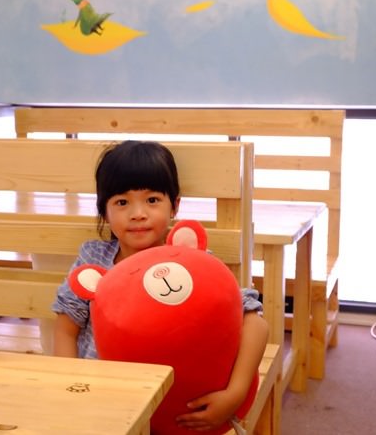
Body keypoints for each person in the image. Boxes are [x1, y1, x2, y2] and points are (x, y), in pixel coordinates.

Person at [51, 140, 269, 431]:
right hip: (106, 400)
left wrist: (236, 393)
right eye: (122, 202)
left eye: (152, 200)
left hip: (179, 404)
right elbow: (66, 329)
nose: (138, 213)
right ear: (104, 211)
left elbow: (254, 321)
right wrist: (73, 388)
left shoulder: (191, 262)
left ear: (174, 205)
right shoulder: (93, 259)